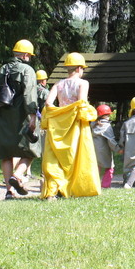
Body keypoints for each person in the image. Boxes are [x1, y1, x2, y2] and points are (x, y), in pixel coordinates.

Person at [40, 52, 100, 199]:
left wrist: (60, 111)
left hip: (58, 124)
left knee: (56, 157)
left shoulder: (58, 84)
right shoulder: (83, 83)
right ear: (79, 68)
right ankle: (73, 188)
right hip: (74, 125)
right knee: (75, 156)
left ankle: (54, 191)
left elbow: (48, 103)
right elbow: (81, 103)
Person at [0, 39, 39, 199]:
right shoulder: (27, 70)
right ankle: (17, 176)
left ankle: (9, 191)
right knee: (31, 150)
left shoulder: (1, 70)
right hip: (22, 116)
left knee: (6, 154)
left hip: (3, 116)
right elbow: (29, 94)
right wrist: (33, 115)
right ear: (26, 55)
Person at [91, 104, 118, 189]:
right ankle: (105, 185)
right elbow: (111, 140)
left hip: (93, 150)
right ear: (107, 115)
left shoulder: (92, 125)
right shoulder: (106, 126)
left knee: (96, 168)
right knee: (110, 168)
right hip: (104, 150)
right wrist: (117, 149)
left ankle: (93, 184)